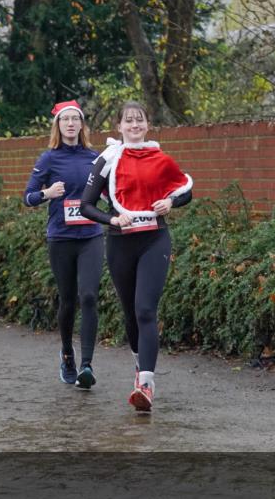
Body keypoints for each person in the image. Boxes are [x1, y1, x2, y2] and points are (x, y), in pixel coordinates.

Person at [80, 100, 193, 412]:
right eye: (128, 121)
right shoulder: (108, 158)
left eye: (139, 120)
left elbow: (185, 190)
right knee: (130, 313)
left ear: (147, 124)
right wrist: (112, 219)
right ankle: (138, 365)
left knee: (145, 310)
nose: (134, 125)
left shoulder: (160, 157)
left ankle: (146, 383)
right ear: (119, 126)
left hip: (155, 239)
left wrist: (171, 203)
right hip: (120, 241)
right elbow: (85, 205)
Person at [24, 100, 103, 389]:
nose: (70, 124)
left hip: (91, 235)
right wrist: (47, 192)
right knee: (68, 299)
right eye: (65, 120)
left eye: (75, 119)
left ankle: (87, 364)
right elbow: (28, 197)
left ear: (82, 125)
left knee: (89, 296)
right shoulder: (48, 159)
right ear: (58, 125)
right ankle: (67, 352)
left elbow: (108, 193)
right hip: (61, 237)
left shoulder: (95, 157)